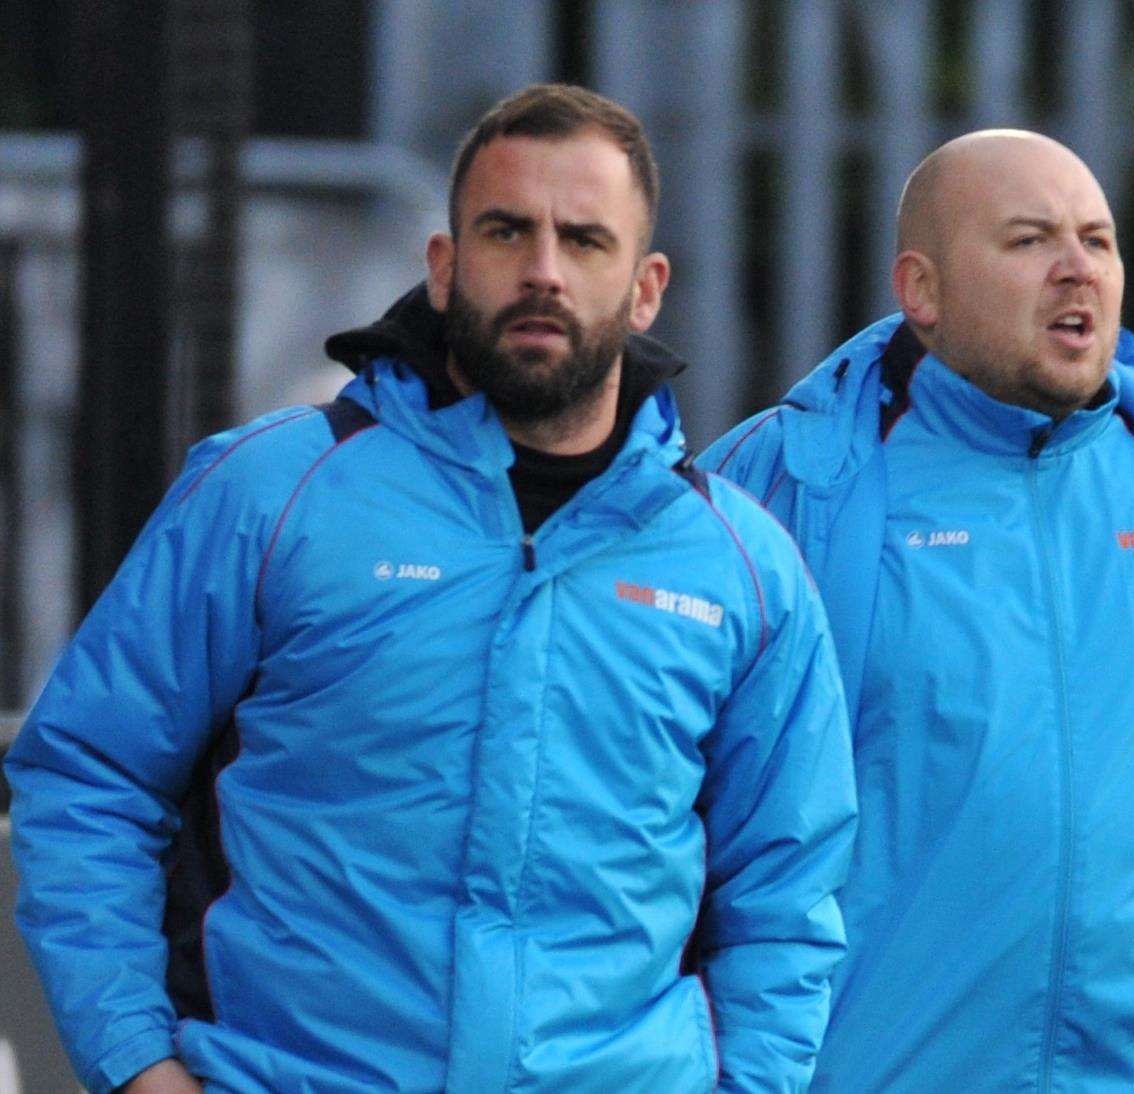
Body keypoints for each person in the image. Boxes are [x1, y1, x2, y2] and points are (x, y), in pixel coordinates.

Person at [7, 84, 856, 1093]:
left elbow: (786, 894)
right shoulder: (270, 492)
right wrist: (139, 1063)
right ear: (445, 266)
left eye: (585, 240)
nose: (543, 270)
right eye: (508, 231)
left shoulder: (741, 565)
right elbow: (88, 776)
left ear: (645, 287)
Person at [702, 130, 1134, 1093]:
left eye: (1098, 241)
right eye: (1029, 241)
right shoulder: (784, 485)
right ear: (922, 290)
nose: (1077, 269)